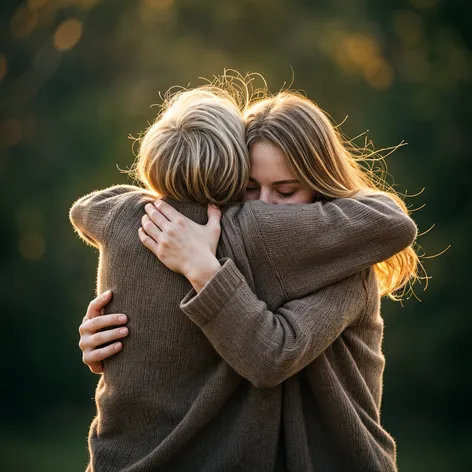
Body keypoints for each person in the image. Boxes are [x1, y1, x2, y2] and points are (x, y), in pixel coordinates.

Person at [73, 83, 417, 471]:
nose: (264, 207)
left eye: (285, 191)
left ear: (321, 185)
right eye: (249, 188)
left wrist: (203, 268)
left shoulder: (345, 257)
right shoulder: (225, 235)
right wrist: (124, 334)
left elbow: (271, 355)